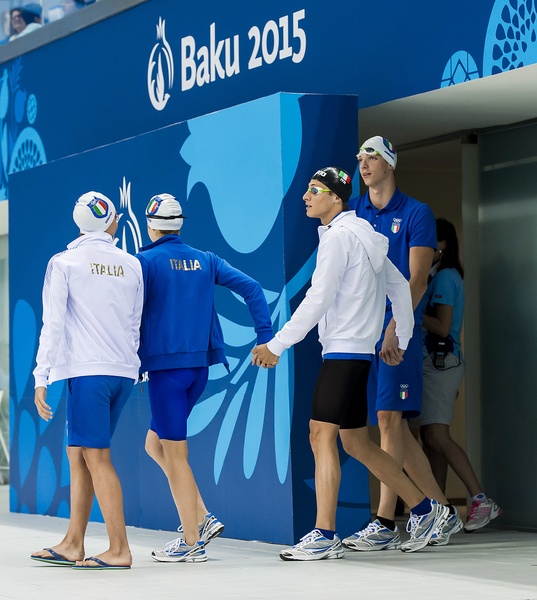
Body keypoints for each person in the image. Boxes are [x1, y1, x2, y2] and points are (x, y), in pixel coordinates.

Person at [251, 167, 449, 561]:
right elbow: (400, 286)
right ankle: (427, 510)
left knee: (319, 434)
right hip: (359, 351)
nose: (306, 196)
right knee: (355, 441)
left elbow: (318, 299)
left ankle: (324, 533)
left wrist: (277, 344)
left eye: (314, 190)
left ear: (336, 198)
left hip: (343, 351)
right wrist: (404, 338)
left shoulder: (340, 237)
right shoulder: (368, 236)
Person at [135, 193, 273, 563]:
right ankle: (202, 516)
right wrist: (264, 336)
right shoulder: (204, 260)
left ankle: (191, 543)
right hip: (198, 370)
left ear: (151, 224)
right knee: (155, 445)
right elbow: (253, 289)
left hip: (166, 372)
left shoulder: (144, 261)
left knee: (176, 456)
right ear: (181, 223)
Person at [345, 136, 463, 550]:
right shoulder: (354, 211)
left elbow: (416, 279)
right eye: (360, 157)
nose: (363, 163)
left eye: (371, 157)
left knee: (388, 423)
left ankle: (383, 520)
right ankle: (440, 512)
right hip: (359, 333)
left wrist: (398, 324)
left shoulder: (417, 213)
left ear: (390, 163)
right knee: (392, 429)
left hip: (398, 331)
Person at [31, 192, 144, 570]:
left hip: (88, 371)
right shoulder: (131, 264)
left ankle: (119, 549)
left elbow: (54, 323)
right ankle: (73, 543)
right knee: (78, 453)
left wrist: (41, 374)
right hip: (121, 373)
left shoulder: (64, 262)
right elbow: (134, 322)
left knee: (95, 456)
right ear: (111, 222)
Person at [420, 217, 502, 532]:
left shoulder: (444, 278)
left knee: (438, 436)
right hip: (437, 363)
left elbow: (441, 326)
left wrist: (411, 309)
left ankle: (480, 499)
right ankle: (440, 509)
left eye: (427, 241)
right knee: (430, 438)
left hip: (441, 363)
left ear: (440, 244)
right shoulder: (439, 274)